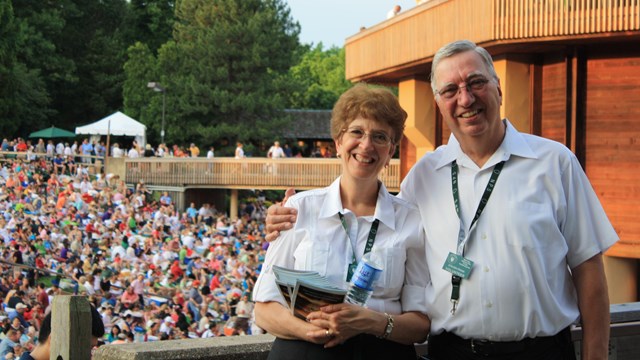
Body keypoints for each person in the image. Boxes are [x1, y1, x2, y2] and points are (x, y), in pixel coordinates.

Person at [265, 40, 618, 360]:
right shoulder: (423, 177)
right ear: (439, 104)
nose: (465, 98)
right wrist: (283, 217)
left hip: (540, 352)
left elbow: (588, 269)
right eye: (450, 89)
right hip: (453, 353)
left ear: (498, 88)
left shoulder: (554, 163)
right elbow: (371, 216)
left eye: (476, 82)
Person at [254, 84, 429, 359]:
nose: (366, 145)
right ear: (338, 142)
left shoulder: (411, 221)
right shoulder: (298, 209)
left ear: (390, 151)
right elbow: (263, 308)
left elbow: (420, 325)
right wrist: (313, 332)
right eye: (357, 132)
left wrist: (369, 321)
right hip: (304, 351)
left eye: (380, 136)